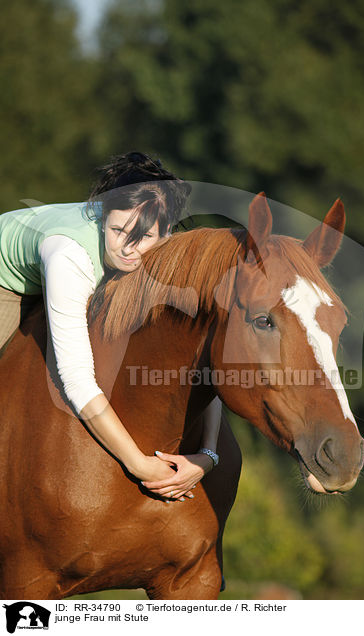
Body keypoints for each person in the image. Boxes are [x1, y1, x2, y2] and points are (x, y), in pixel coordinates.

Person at [0, 151, 221, 501]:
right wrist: (137, 463)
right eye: (118, 230)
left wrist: (207, 456)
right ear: (104, 218)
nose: (128, 250)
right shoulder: (69, 255)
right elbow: (74, 378)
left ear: (166, 234)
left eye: (145, 237)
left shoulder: (165, 252)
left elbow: (197, 351)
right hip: (7, 277)